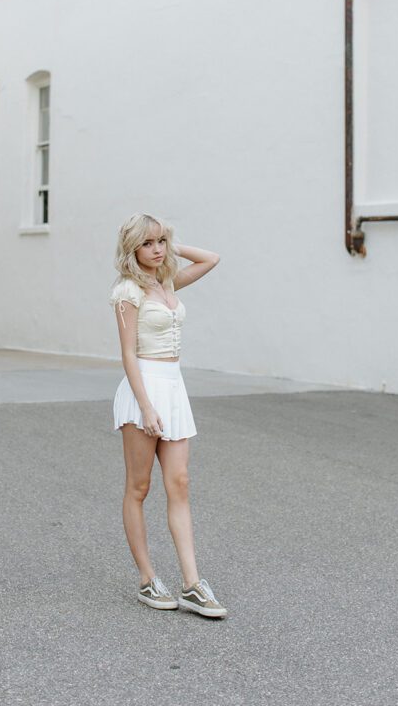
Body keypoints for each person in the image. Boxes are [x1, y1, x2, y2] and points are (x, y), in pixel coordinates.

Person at [109, 212, 227, 619]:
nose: (157, 250)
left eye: (160, 242)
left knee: (179, 482)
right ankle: (147, 578)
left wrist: (168, 245)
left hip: (174, 389)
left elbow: (210, 258)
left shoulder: (167, 281)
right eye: (147, 244)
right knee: (139, 488)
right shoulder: (128, 291)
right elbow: (127, 353)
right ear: (131, 250)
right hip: (145, 390)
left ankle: (192, 584)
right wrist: (145, 406)